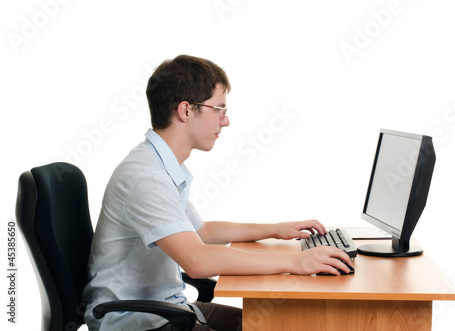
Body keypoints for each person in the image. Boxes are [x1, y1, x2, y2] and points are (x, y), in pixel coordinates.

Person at [83, 55, 352, 331]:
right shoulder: (145, 177)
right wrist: (296, 261)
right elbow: (198, 261)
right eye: (219, 109)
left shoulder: (158, 166)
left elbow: (202, 231)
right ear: (186, 111)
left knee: (277, 324)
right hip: (134, 321)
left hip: (166, 308)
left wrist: (274, 229)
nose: (225, 121)